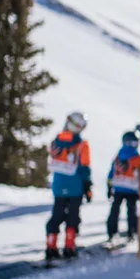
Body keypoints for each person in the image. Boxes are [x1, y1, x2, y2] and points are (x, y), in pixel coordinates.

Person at [44, 112, 93, 261]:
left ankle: (51, 246)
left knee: (56, 214)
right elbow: (84, 167)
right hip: (75, 186)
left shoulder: (55, 142)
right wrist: (87, 187)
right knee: (73, 216)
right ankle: (69, 246)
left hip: (58, 185)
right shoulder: (82, 145)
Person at [106, 128, 140, 244]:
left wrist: (109, 187)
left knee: (115, 210)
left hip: (118, 188)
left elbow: (111, 173)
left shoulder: (119, 156)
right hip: (132, 189)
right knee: (131, 211)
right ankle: (133, 232)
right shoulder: (138, 158)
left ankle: (112, 232)